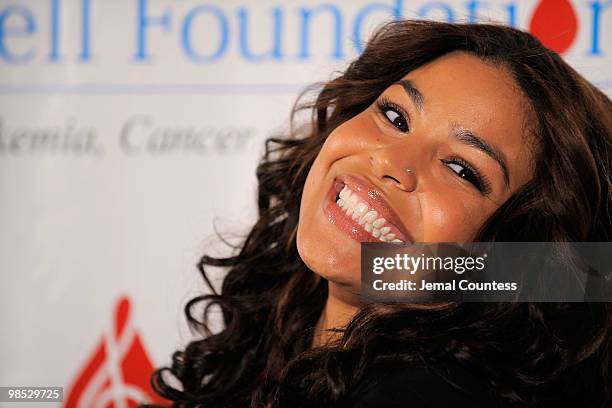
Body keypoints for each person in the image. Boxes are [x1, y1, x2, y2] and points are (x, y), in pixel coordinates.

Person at [147, 20, 612, 407]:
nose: (392, 162)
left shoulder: (425, 395)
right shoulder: (284, 326)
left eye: (459, 168)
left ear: (517, 253)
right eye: (395, 117)